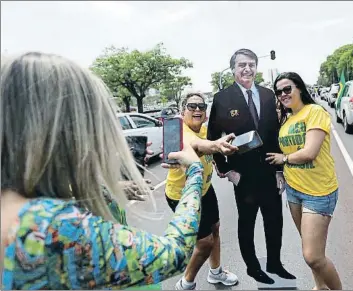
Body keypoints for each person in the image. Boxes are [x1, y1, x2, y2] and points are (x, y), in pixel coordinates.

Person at [1, 51, 203, 290]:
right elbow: (175, 253)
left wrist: (109, 190)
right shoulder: (50, 226)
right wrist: (194, 172)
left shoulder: (16, 205)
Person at [207, 49, 295, 284]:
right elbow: (213, 138)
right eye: (242, 65)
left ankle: (274, 264)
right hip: (243, 176)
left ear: (257, 67)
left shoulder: (269, 95)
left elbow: (277, 134)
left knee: (275, 220)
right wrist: (227, 170)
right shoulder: (222, 99)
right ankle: (253, 267)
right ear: (233, 69)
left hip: (270, 170)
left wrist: (280, 171)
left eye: (251, 65)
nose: (247, 69)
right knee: (246, 222)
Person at [266, 72, 342, 290]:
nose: (283, 94)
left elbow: (310, 152)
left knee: (312, 256)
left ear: (299, 88)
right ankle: (320, 287)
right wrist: (281, 170)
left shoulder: (315, 111)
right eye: (278, 92)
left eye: (287, 89)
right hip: (294, 191)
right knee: (312, 249)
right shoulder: (287, 119)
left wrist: (284, 159)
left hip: (319, 192)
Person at [165, 92, 239, 290]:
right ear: (183, 111)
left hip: (205, 189)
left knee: (215, 228)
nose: (197, 109)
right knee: (205, 243)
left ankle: (216, 273)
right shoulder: (180, 132)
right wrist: (214, 146)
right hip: (184, 195)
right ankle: (185, 284)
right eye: (192, 106)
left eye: (201, 106)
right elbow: (197, 145)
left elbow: (210, 146)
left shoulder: (206, 129)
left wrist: (221, 164)